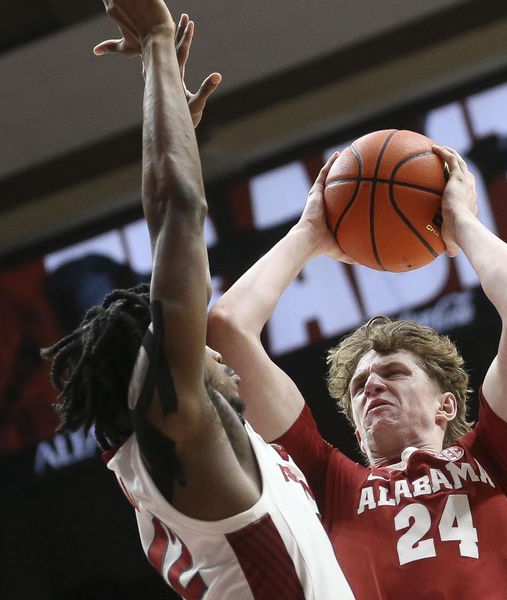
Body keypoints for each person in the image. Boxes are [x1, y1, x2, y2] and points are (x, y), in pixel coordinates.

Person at [42, 2, 354, 598]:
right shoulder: (177, 422)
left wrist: (172, 124)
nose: (216, 353)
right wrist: (158, 44)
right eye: (196, 349)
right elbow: (177, 212)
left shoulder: (176, 455)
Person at [208, 145, 507, 598]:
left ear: (445, 405)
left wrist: (460, 222)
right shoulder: (330, 483)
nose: (371, 384)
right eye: (358, 387)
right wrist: (309, 232)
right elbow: (228, 328)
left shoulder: (496, 459)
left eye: (394, 373)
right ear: (356, 430)